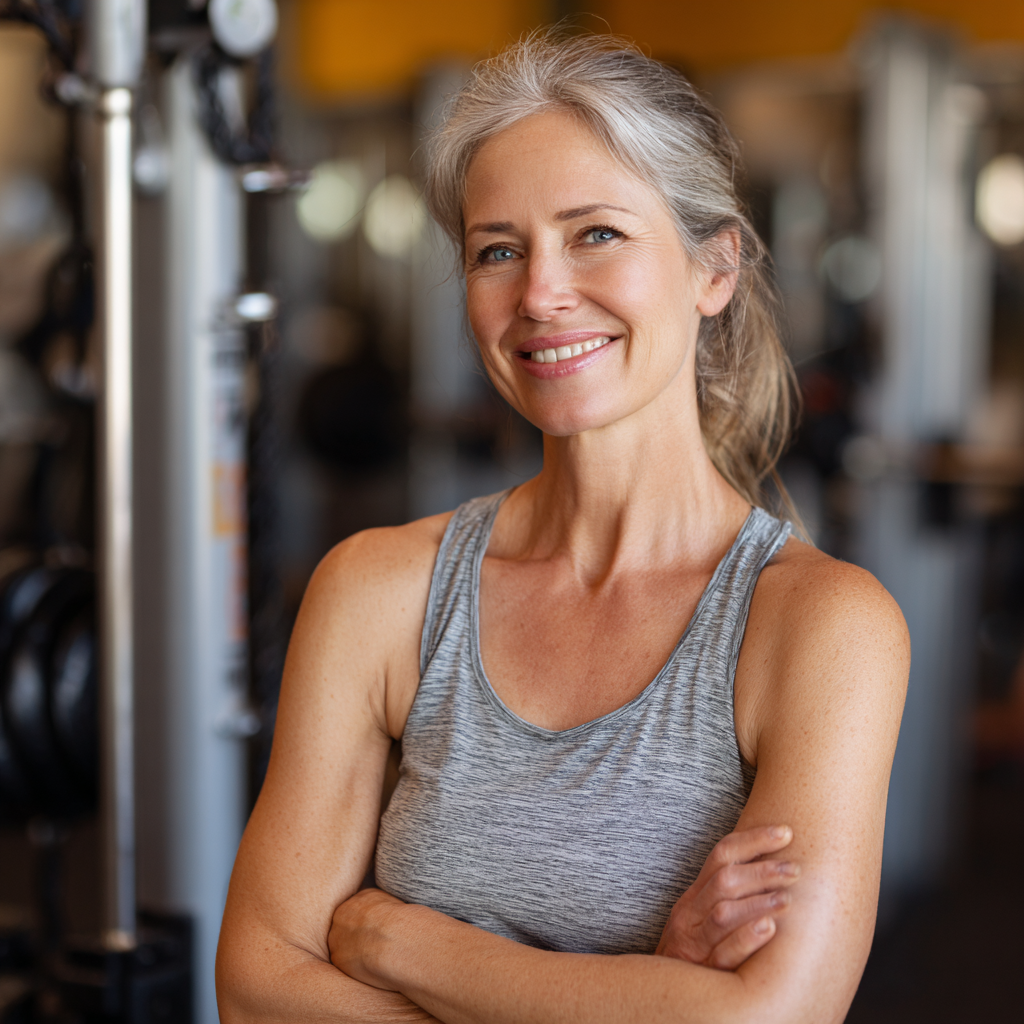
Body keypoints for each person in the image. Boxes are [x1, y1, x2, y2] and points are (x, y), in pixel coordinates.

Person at [217, 32, 909, 1024]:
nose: (539, 294)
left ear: (714, 269)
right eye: (497, 250)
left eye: (596, 234)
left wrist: (400, 941)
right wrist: (633, 994)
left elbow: (766, 1017)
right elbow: (254, 988)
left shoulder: (823, 626)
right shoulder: (378, 590)